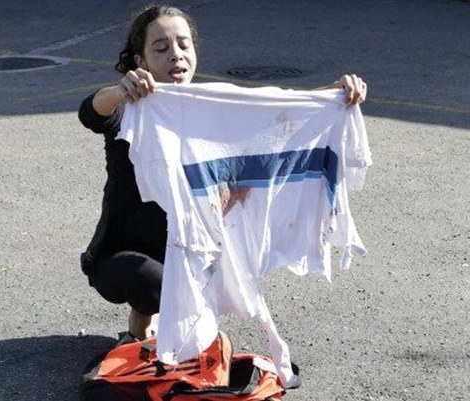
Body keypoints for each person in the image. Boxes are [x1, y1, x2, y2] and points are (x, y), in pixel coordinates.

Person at [78, 4, 368, 340]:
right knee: (158, 286)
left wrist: (335, 94)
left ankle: (150, 331)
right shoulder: (132, 109)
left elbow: (277, 114)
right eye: (161, 48)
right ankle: (140, 327)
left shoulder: (210, 109)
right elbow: (91, 113)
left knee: (185, 285)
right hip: (120, 256)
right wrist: (119, 90)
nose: (175, 54)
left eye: (183, 45)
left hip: (190, 250)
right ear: (140, 60)